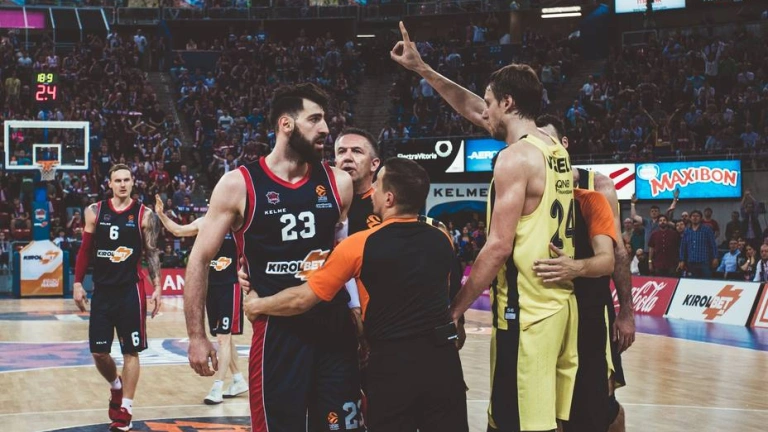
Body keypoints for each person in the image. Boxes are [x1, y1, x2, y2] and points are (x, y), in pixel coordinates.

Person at [391, 23, 596, 431]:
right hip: (558, 307)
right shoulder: (553, 148)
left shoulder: (514, 159)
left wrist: (455, 308)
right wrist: (422, 69)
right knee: (537, 420)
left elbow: (499, 246)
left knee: (518, 424)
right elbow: (470, 107)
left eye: (490, 103)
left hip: (526, 312)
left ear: (507, 102)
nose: (483, 112)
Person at [241, 158, 469, 431]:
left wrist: (258, 305)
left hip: (392, 365)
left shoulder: (357, 245)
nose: (372, 191)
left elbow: (302, 299)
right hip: (443, 362)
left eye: (377, 185)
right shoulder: (443, 236)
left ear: (389, 198)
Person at [184, 83, 363, 431]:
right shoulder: (238, 184)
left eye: (325, 120)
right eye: (315, 119)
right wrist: (196, 336)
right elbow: (199, 259)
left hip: (334, 329)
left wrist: (357, 312)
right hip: (278, 331)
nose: (325, 129)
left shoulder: (339, 182)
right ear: (286, 124)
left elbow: (347, 255)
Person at [537, 114, 633, 432]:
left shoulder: (598, 187)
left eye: (549, 140)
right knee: (555, 402)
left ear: (564, 144)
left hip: (591, 304)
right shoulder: (533, 185)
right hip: (549, 305)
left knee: (604, 400)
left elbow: (618, 254)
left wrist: (626, 313)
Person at [72, 164, 163, 432]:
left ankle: (126, 409)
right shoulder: (94, 211)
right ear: (110, 184)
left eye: (126, 180)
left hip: (130, 291)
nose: (122, 184)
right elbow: (85, 250)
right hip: (102, 291)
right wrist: (77, 283)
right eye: (118, 180)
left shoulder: (145, 215)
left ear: (133, 182)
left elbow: (152, 252)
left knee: (130, 351)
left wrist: (157, 286)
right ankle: (115, 385)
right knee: (99, 352)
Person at [155, 195, 248, 405]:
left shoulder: (236, 224)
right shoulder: (204, 223)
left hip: (230, 285)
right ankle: (238, 379)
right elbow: (177, 230)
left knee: (223, 338)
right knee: (225, 338)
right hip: (210, 287)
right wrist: (161, 215)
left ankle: (218, 387)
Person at [678, 210, 719, 278]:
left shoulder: (707, 229)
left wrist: (715, 258)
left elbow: (713, 245)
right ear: (690, 218)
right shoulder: (687, 231)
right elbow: (683, 247)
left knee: (705, 281)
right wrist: (682, 260)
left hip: (704, 262)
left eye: (697, 216)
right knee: (692, 282)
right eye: (693, 216)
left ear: (701, 218)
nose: (695, 218)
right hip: (691, 262)